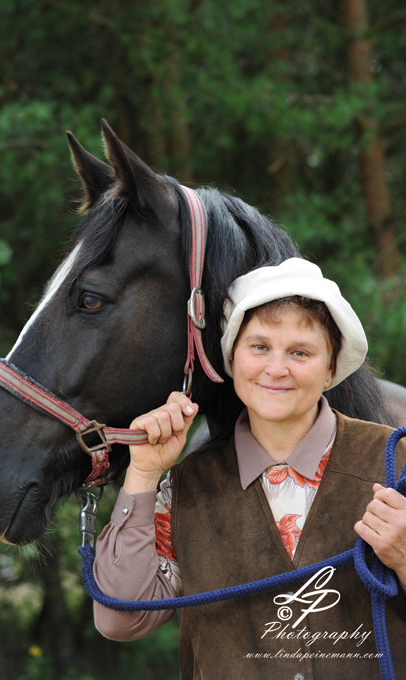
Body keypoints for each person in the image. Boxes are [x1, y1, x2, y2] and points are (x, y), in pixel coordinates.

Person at [93, 258, 406, 679]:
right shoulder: (185, 488)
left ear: (331, 369)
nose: (276, 369)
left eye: (300, 352)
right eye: (259, 347)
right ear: (233, 358)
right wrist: (144, 474)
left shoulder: (397, 462)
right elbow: (121, 620)